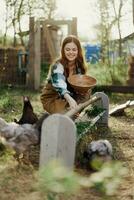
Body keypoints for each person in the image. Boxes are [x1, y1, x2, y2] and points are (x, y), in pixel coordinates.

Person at [40, 35, 90, 114]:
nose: (71, 52)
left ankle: (73, 110)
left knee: (87, 93)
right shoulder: (58, 65)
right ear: (63, 50)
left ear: (78, 51)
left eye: (74, 50)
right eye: (67, 49)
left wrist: (82, 90)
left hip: (69, 96)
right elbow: (59, 84)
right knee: (64, 112)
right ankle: (67, 110)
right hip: (53, 97)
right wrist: (70, 99)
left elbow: (81, 83)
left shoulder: (79, 66)